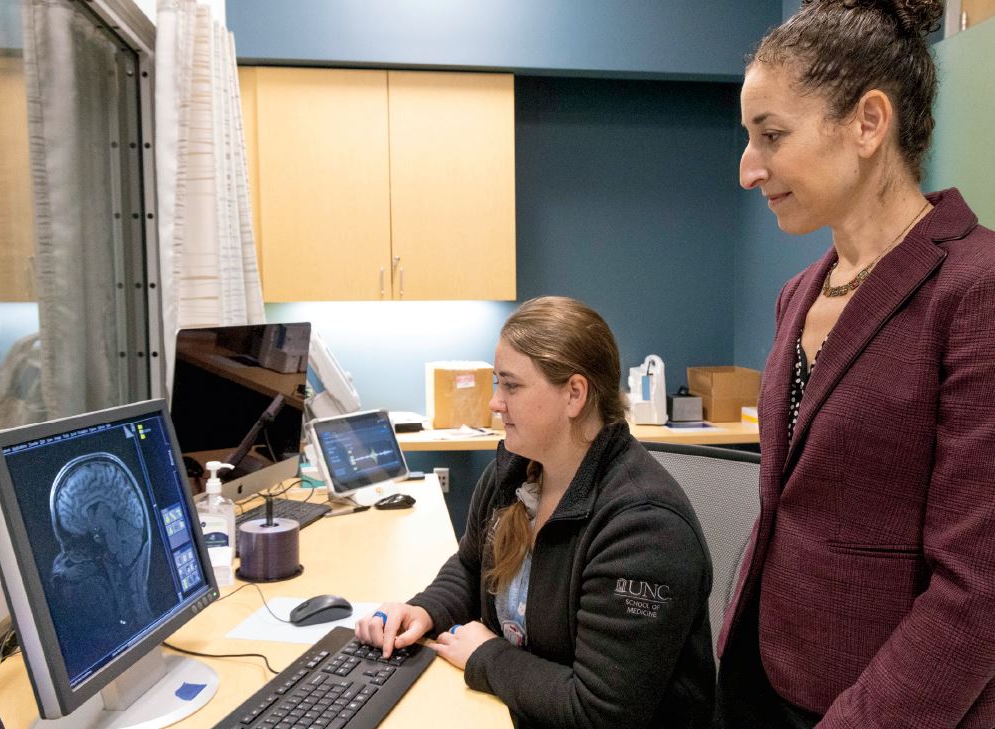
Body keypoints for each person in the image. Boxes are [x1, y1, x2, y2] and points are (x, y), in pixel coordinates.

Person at [719, 1, 995, 727]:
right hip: (768, 683)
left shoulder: (975, 287)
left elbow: (979, 589)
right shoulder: (798, 294)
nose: (749, 169)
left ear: (869, 123)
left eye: (770, 135)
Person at [356, 296, 715, 728]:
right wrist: (424, 610)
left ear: (574, 395)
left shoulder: (644, 528)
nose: (494, 402)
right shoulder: (513, 474)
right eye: (496, 383)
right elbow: (472, 567)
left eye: (511, 385)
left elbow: (600, 713)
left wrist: (487, 657)